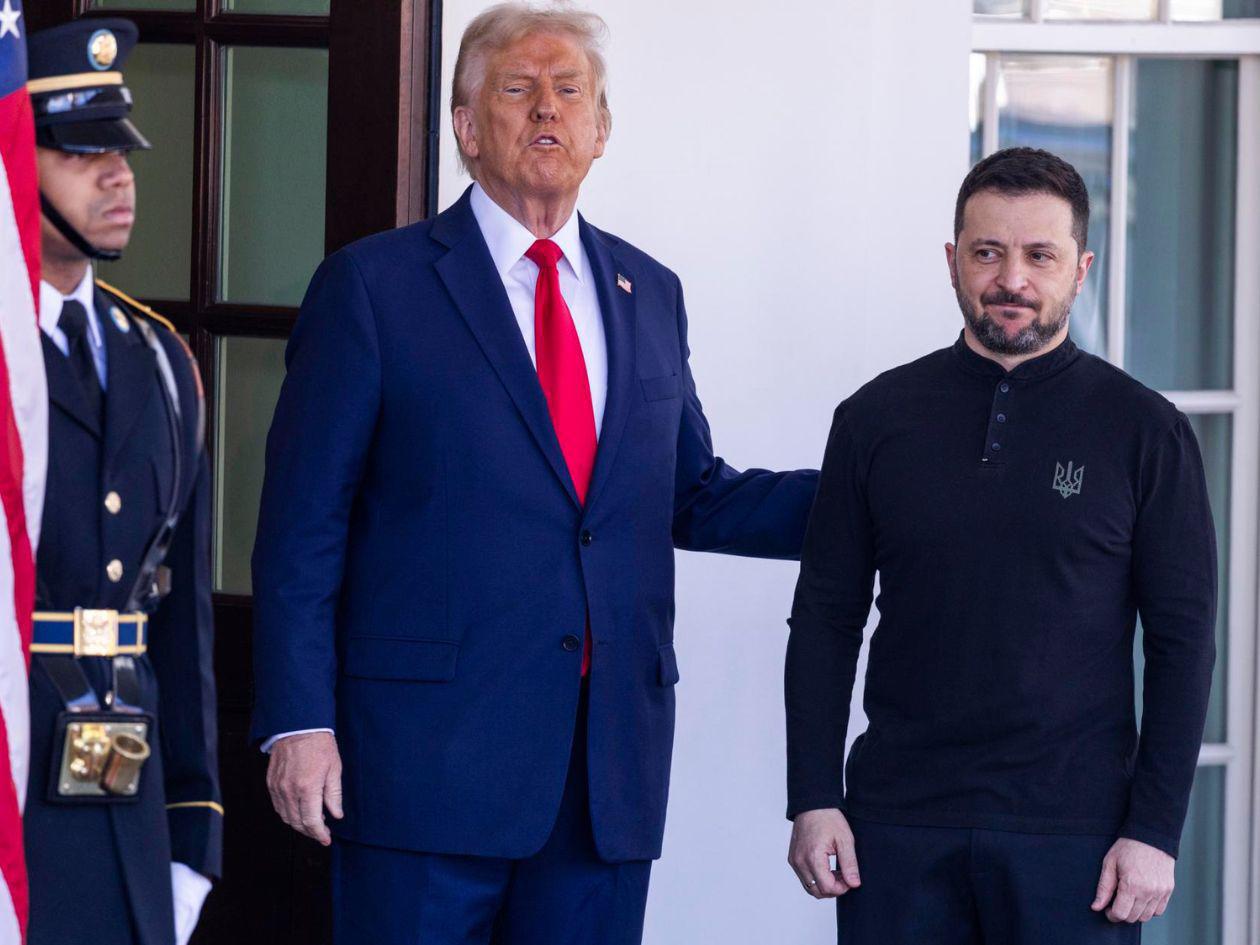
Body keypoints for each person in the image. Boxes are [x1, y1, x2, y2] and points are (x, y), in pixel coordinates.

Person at [250, 3, 818, 942]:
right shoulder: (374, 288)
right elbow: (302, 527)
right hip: (423, 774)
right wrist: (298, 720)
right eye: (518, 89)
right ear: (467, 128)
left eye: (570, 91)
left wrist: (878, 498)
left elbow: (689, 492)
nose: (547, 108)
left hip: (603, 780)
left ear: (603, 129)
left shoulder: (650, 291)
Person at [785, 146, 1217, 944]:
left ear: (1080, 269)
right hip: (897, 828)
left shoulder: (1145, 431)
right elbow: (825, 617)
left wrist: (1154, 829)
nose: (1011, 279)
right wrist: (813, 795)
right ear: (953, 260)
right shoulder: (875, 418)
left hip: (1078, 841)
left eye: (1039, 256)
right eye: (988, 252)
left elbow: (1183, 642)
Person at [25, 19, 221, 945]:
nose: (118, 177)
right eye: (81, 153)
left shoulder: (160, 361)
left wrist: (192, 834)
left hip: (126, 805)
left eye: (123, 152)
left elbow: (180, 624)